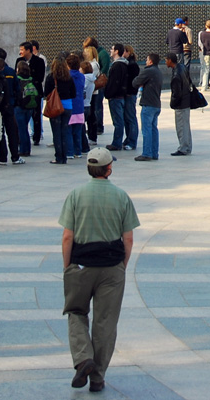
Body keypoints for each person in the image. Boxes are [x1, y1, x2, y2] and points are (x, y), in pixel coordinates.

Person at [58, 146, 140, 394]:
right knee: (105, 322)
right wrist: (121, 267)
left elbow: (67, 237)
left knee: (75, 311)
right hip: (111, 266)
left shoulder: (75, 195)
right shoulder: (121, 196)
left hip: (81, 263)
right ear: (109, 169)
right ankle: (98, 377)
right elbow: (128, 239)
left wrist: (67, 266)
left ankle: (84, 358)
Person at [44, 56, 76, 164]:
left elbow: (46, 93)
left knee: (56, 133)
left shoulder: (51, 77)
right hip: (68, 107)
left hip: (55, 107)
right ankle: (65, 156)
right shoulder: (69, 77)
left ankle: (59, 157)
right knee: (65, 131)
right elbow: (73, 93)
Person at [132, 53, 163, 161]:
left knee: (147, 129)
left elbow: (135, 82)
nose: (145, 62)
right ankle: (154, 153)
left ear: (150, 61)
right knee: (154, 129)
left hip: (148, 104)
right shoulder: (158, 72)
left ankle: (147, 153)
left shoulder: (148, 71)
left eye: (147, 60)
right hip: (156, 104)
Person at [166, 54, 193, 156]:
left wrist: (173, 103)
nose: (165, 62)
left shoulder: (176, 74)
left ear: (170, 61)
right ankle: (187, 146)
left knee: (181, 126)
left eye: (166, 60)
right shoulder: (182, 67)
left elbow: (176, 93)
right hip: (186, 101)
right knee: (185, 125)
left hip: (181, 104)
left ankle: (183, 148)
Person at [14, 60, 39, 159]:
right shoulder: (31, 79)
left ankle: (24, 150)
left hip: (20, 106)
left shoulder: (18, 80)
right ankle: (27, 148)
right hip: (30, 106)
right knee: (25, 127)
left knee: (22, 129)